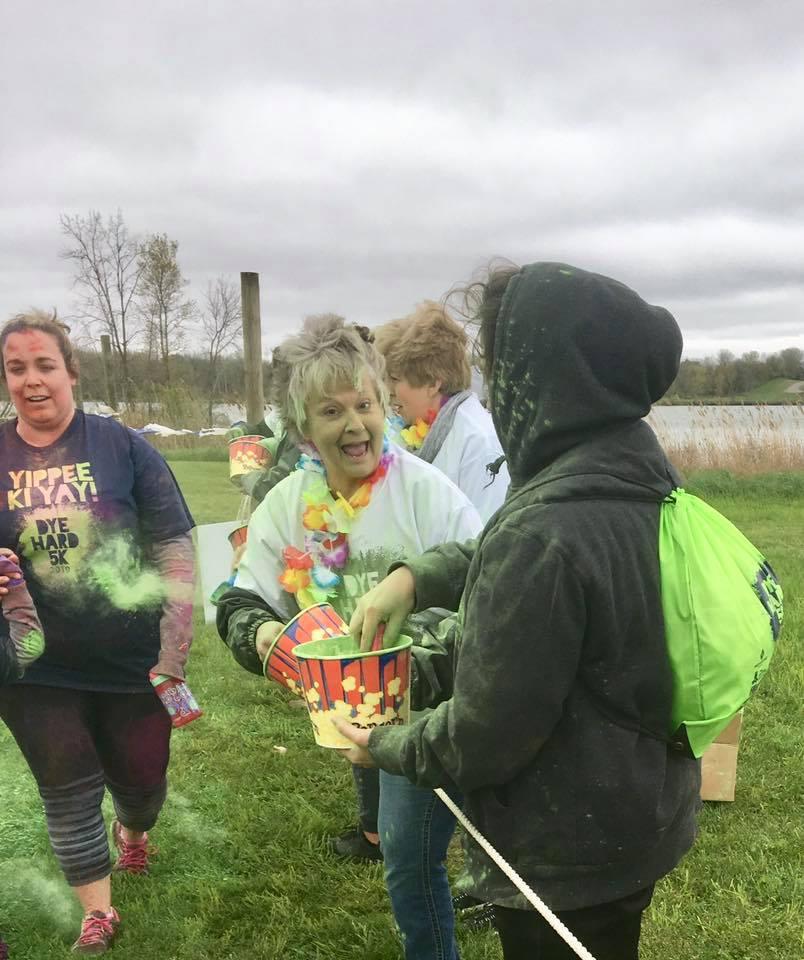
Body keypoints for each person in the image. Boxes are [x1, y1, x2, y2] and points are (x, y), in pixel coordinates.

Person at [338, 263, 702, 960]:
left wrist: (380, 745)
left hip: (565, 848)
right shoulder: (638, 479)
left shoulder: (544, 531)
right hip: (638, 809)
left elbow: (483, 735)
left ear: (549, 380)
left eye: (502, 364)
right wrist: (418, 576)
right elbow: (536, 609)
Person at [216, 314, 482, 960]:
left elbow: (490, 582)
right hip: (353, 718)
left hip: (434, 708)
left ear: (385, 406)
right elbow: (234, 597)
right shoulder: (287, 503)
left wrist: (406, 655)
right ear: (304, 428)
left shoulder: (425, 492)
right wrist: (268, 638)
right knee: (402, 852)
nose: (355, 425)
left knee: (413, 854)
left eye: (365, 404)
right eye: (331, 411)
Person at [0, 310, 196, 955]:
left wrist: (174, 648)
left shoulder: (121, 446)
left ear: (71, 372)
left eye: (44, 365)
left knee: (141, 779)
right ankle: (98, 914)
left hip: (130, 658)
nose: (31, 381)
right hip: (34, 664)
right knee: (66, 783)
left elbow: (172, 544)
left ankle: (135, 833)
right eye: (16, 368)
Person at [376, 300, 509, 521]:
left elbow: (486, 534)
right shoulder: (403, 432)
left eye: (395, 379)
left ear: (433, 383)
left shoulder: (480, 443)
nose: (388, 391)